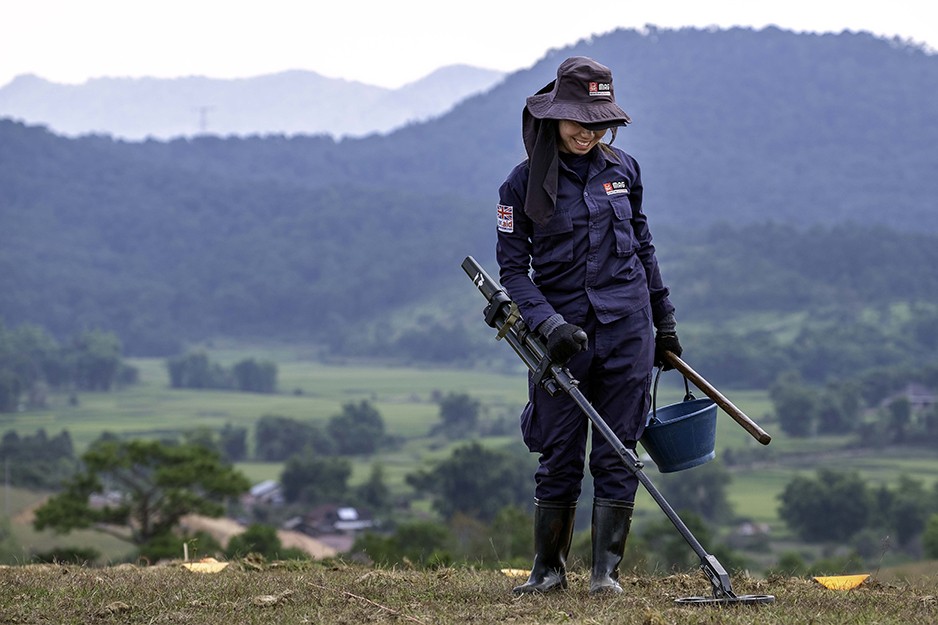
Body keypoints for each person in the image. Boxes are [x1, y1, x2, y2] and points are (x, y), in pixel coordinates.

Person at [495, 56, 681, 595]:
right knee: (558, 452)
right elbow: (512, 269)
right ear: (555, 117)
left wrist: (663, 322)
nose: (589, 132)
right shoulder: (521, 184)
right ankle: (548, 571)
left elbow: (643, 248)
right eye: (579, 121)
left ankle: (606, 575)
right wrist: (547, 323)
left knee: (619, 450)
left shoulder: (624, 171)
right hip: (560, 340)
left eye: (599, 123)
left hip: (628, 332)